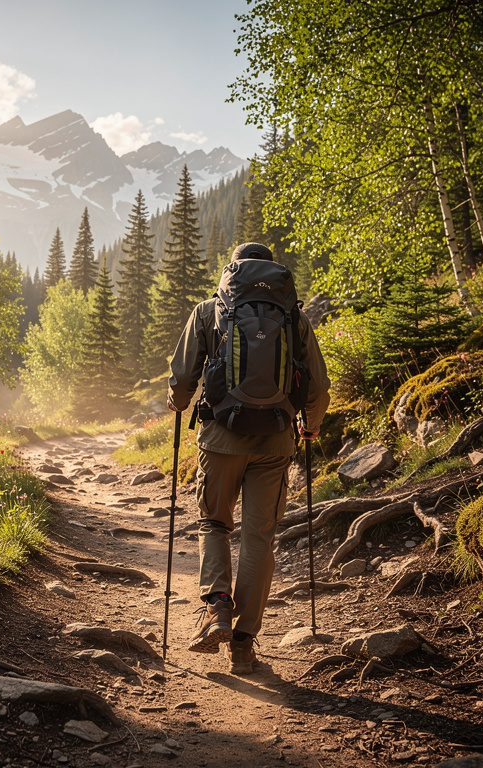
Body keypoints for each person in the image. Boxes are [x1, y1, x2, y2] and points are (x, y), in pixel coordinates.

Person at [167, 242, 330, 674]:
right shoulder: (294, 316)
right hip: (276, 442)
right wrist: (309, 424)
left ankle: (217, 606)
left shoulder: (209, 310)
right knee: (259, 538)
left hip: (221, 439)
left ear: (231, 271)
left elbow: (183, 377)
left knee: (214, 523)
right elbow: (318, 385)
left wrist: (177, 401)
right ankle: (243, 644)